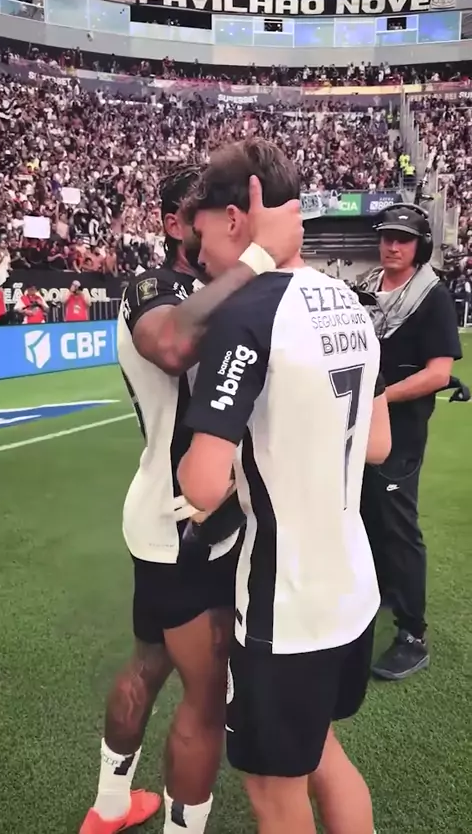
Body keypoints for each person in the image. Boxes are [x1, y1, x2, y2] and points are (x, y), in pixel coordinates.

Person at [79, 163, 304, 834]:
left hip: (175, 516)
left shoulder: (214, 286)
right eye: (198, 212)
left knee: (148, 664)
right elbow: (173, 344)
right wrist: (259, 259)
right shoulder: (155, 287)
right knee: (205, 701)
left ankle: (110, 806)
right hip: (187, 523)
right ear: (174, 223)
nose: (213, 226)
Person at [177, 138, 391, 834]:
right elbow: (378, 445)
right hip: (353, 590)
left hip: (285, 607)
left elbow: (202, 485)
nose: (199, 255)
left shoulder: (245, 313)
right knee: (322, 752)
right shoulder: (350, 301)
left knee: (274, 793)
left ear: (236, 217)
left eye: (202, 234)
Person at [359, 204, 462, 680]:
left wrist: (380, 397)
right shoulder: (366, 286)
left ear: (420, 246)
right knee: (366, 516)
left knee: (399, 527)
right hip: (362, 427)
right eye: (387, 237)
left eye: (403, 239)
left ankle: (413, 635)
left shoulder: (432, 296)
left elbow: (438, 374)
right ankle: (378, 593)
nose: (392, 245)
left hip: (399, 430)